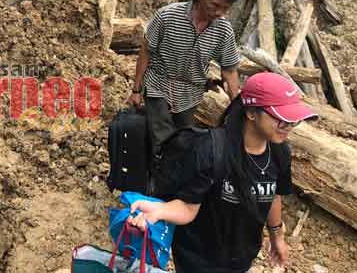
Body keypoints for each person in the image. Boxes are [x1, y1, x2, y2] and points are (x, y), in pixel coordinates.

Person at [129, 72, 319, 273]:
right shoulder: (210, 149)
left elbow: (274, 195)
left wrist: (276, 236)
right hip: (199, 257)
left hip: (243, 255)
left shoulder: (279, 152)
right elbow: (187, 207)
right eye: (281, 119)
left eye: (292, 121)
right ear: (252, 113)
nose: (288, 127)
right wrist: (159, 211)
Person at [128, 0, 242, 160]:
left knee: (183, 137)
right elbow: (146, 51)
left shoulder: (223, 30)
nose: (219, 12)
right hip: (159, 82)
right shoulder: (167, 16)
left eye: (225, 8)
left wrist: (237, 104)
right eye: (215, 5)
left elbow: (229, 69)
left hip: (191, 92)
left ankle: (172, 172)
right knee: (162, 138)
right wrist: (136, 89)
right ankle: (159, 178)